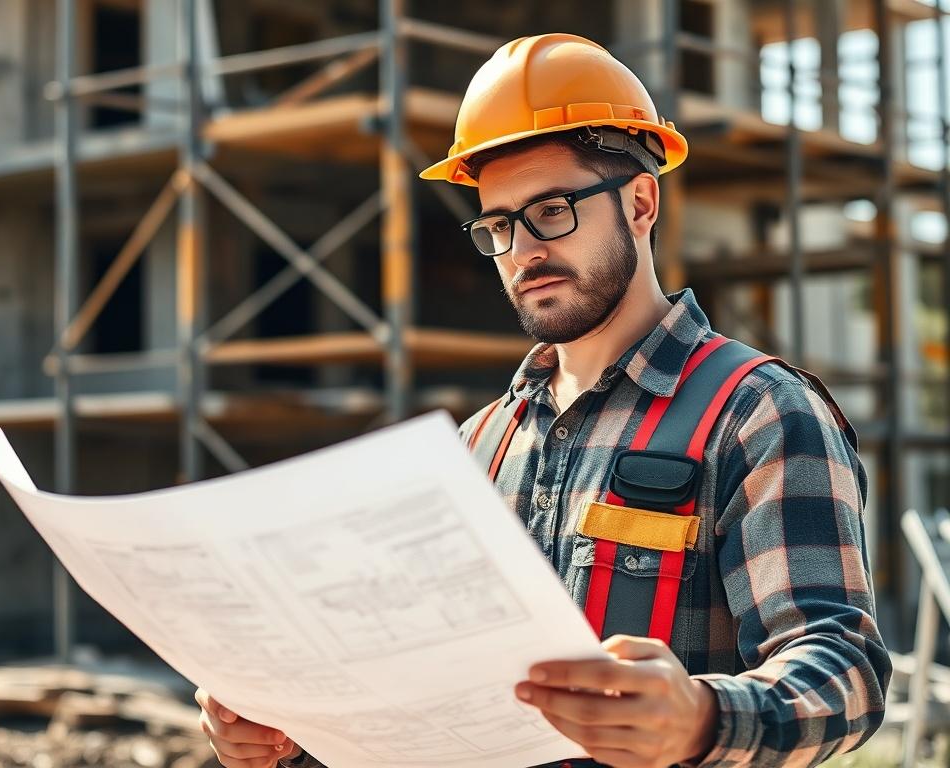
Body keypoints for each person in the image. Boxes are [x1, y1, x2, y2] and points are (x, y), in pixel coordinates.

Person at [195, 33, 890, 768]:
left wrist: (700, 719)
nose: (523, 250)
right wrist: (288, 737)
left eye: (552, 210)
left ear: (642, 202)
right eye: (497, 225)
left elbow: (844, 674)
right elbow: (422, 703)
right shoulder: (477, 446)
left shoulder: (758, 414)